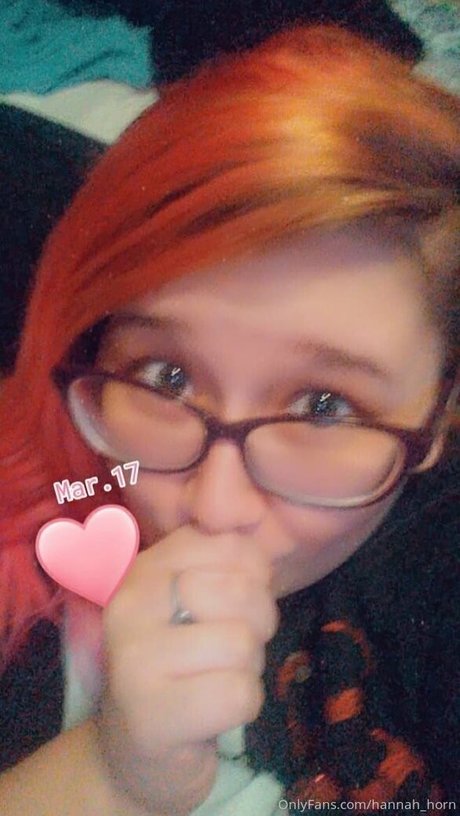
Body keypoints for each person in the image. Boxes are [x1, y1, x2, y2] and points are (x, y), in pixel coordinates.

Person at [0, 24, 458, 816]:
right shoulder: (73, 481)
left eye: (325, 406)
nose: (214, 507)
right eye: (167, 376)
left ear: (439, 416)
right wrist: (114, 773)